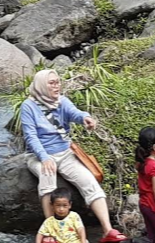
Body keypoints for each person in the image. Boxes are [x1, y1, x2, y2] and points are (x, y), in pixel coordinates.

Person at [21, 69, 129, 242]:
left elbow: (75, 113)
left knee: (89, 181)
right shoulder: (28, 106)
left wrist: (85, 118)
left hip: (65, 153)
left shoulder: (62, 101)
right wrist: (44, 157)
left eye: (57, 82)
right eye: (51, 83)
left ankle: (108, 230)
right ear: (41, 85)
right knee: (47, 176)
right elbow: (30, 136)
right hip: (39, 155)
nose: (56, 86)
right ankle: (51, 232)